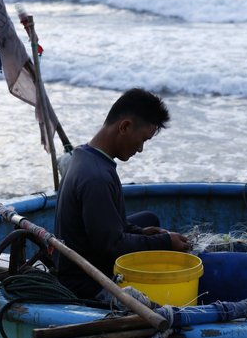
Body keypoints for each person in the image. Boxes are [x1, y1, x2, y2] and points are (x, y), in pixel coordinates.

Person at [54, 88, 190, 300]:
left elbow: (108, 230)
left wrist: (141, 233)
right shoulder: (96, 177)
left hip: (84, 251)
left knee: (149, 221)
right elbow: (111, 246)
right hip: (86, 281)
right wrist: (164, 243)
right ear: (125, 126)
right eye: (143, 140)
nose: (141, 149)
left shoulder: (85, 156)